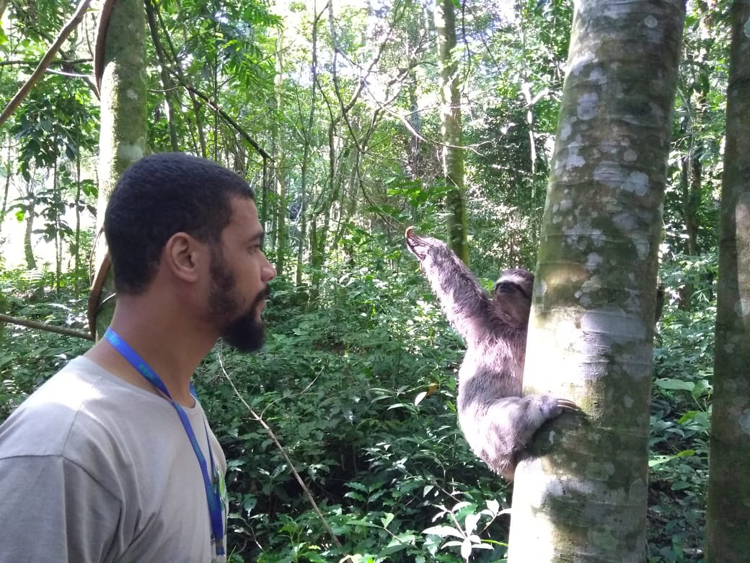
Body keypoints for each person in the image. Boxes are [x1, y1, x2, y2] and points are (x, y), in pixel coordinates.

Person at [0, 153, 276, 562]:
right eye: (253, 248)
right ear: (185, 257)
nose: (268, 269)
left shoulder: (177, 407)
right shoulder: (65, 448)